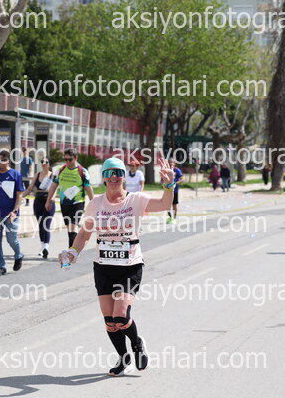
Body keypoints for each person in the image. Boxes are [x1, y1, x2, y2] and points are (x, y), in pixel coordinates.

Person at [58, 157, 175, 376]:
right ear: (103, 177)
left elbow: (165, 204)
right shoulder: (96, 204)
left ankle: (137, 344)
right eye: (109, 173)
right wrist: (73, 252)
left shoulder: (136, 199)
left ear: (124, 176)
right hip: (103, 266)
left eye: (118, 172)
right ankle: (123, 357)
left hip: (129, 265)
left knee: (121, 316)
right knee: (110, 322)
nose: (114, 177)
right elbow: (84, 234)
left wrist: (169, 185)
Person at [45, 148, 95, 248]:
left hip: (77, 203)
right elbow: (54, 185)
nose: (67, 162)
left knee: (73, 226)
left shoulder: (82, 171)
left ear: (76, 158)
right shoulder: (60, 170)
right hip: (64, 203)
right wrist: (48, 200)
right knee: (69, 227)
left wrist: (93, 203)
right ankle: (73, 249)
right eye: (66, 159)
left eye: (70, 159)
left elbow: (88, 188)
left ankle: (72, 251)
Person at [0, 150, 24, 276]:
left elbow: (19, 195)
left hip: (10, 214)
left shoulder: (15, 175)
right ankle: (1, 267)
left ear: (7, 160)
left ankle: (18, 255)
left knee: (11, 239)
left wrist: (15, 211)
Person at [23, 156, 56, 258]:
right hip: (38, 201)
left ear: (49, 164)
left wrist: (50, 201)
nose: (43, 164)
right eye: (42, 162)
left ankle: (46, 247)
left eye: (46, 162)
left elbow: (55, 190)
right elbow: (30, 188)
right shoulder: (37, 175)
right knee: (41, 224)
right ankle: (42, 246)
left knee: (46, 224)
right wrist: (20, 197)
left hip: (48, 201)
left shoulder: (53, 176)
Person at [166, 158, 183, 224]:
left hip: (174, 190)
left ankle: (174, 218)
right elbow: (162, 180)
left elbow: (182, 179)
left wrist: (175, 183)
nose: (171, 163)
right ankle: (170, 217)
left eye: (172, 162)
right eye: (169, 162)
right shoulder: (166, 170)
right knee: (167, 205)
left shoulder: (177, 170)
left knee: (174, 205)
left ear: (174, 163)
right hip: (167, 190)